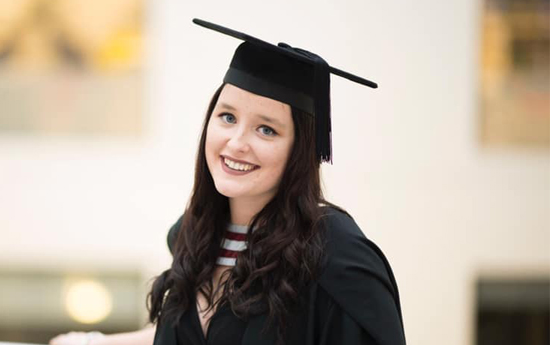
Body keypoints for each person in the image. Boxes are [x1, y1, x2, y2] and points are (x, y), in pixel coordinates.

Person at [50, 18, 406, 345]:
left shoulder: (334, 254)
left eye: (266, 129)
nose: (237, 142)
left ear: (299, 150)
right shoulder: (195, 234)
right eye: (227, 117)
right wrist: (95, 342)